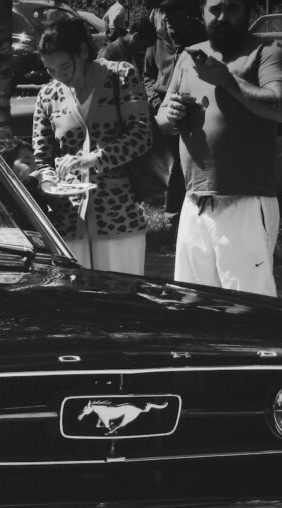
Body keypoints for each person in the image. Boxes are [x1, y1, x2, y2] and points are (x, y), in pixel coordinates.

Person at [155, 0, 282, 296]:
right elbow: (162, 116)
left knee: (247, 304)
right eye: (215, 9)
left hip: (245, 201)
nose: (222, 17)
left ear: (249, 12)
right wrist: (168, 116)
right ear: (202, 11)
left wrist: (226, 80)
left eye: (233, 8)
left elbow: (278, 106)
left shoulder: (268, 52)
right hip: (194, 201)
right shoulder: (189, 57)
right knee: (192, 302)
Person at [32, 17, 153, 274]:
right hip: (67, 221)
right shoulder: (47, 95)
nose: (59, 77)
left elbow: (141, 135)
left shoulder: (120, 75)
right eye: (50, 70)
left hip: (118, 216)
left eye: (65, 66)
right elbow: (41, 160)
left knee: (123, 298)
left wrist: (96, 158)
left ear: (84, 51)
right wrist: (49, 180)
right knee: (75, 305)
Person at [144, 0, 207, 218]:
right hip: (163, 105)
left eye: (173, 12)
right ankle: (172, 212)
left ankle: (194, 207)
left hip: (195, 104)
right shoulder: (157, 39)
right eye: (165, 13)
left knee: (191, 158)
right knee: (170, 161)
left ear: (186, 12)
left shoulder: (202, 35)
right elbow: (149, 75)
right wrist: (156, 102)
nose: (168, 18)